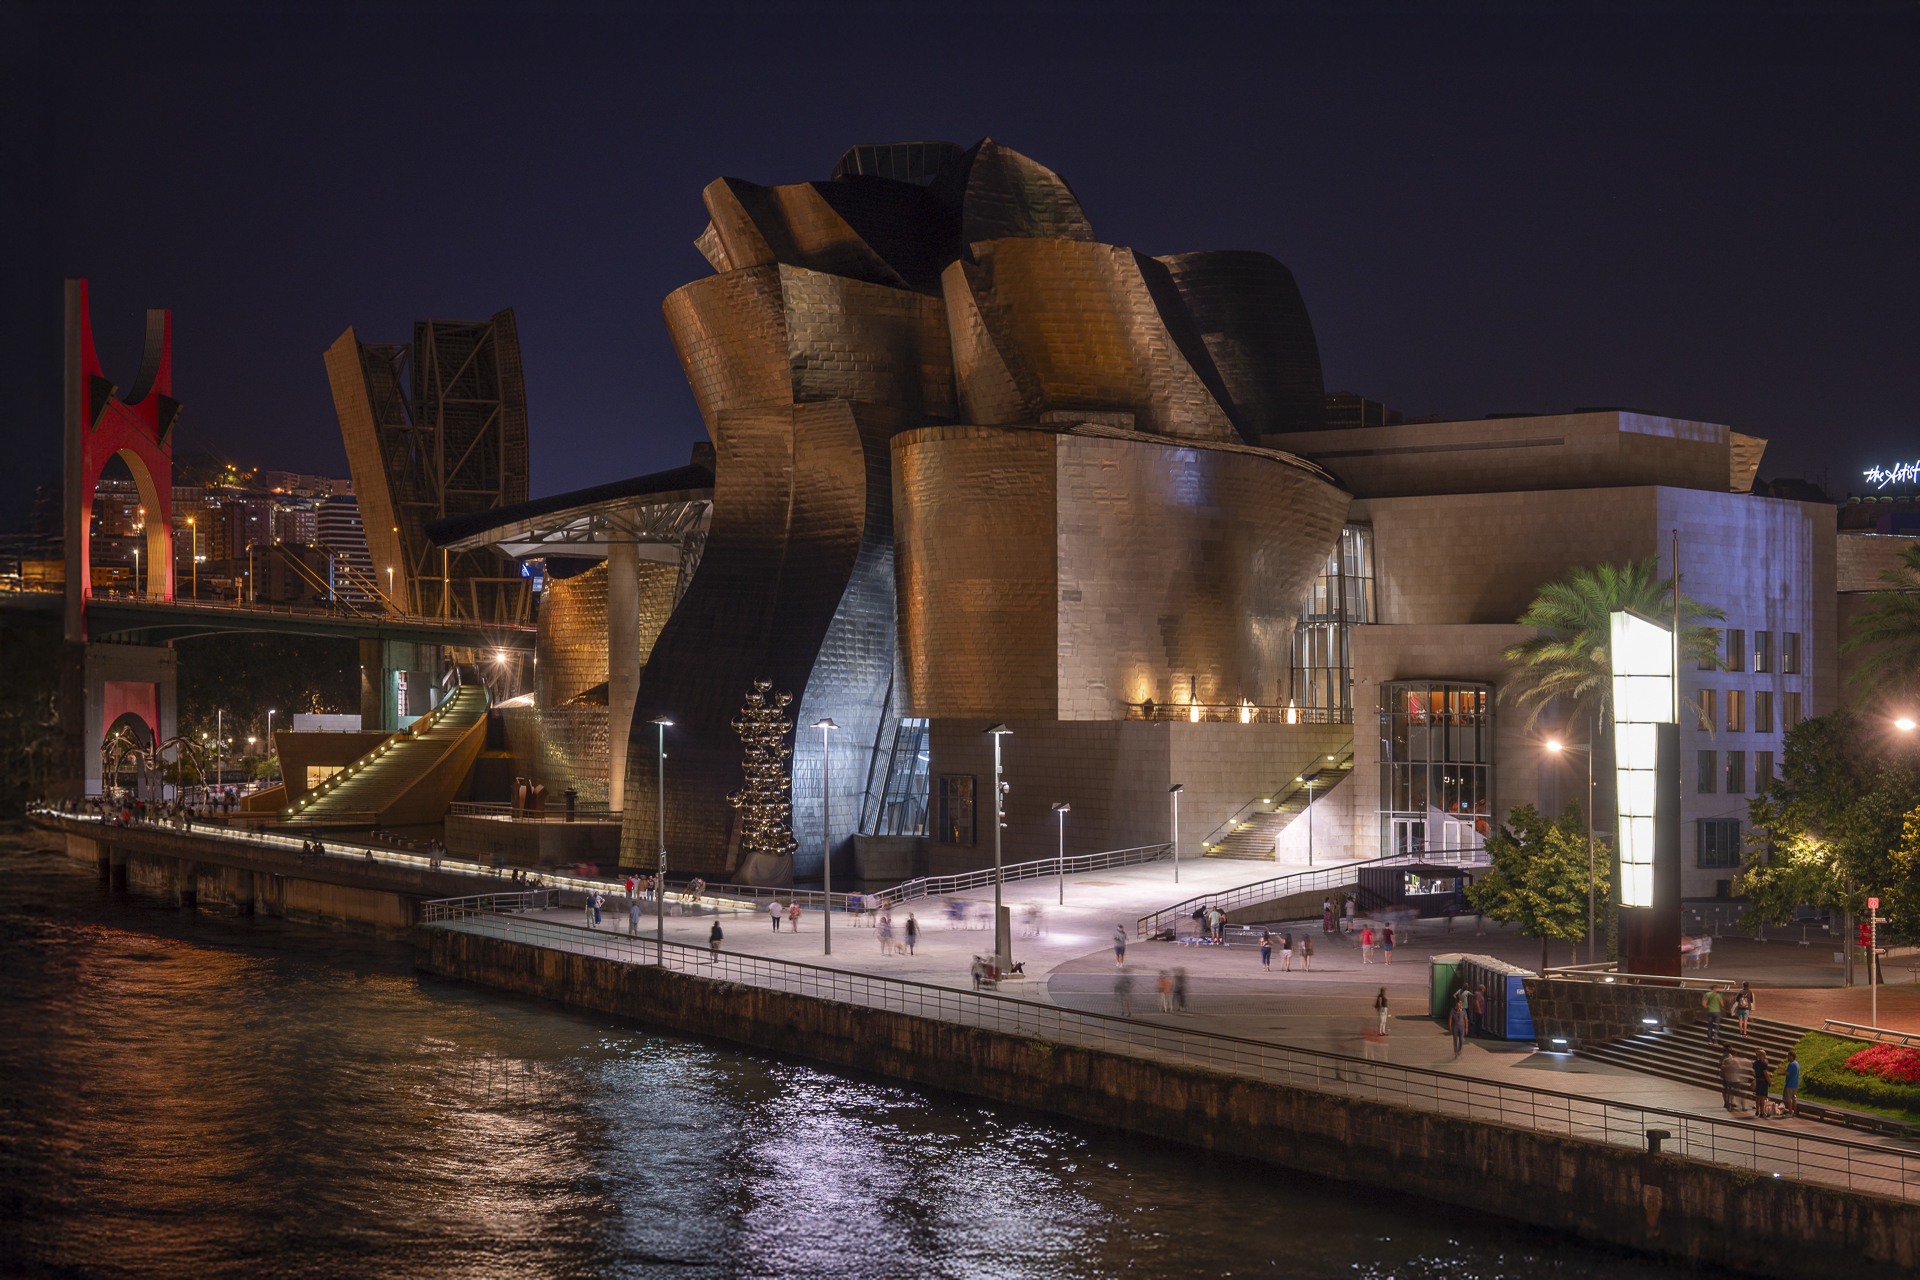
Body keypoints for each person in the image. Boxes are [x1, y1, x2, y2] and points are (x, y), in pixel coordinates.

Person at [1719, 1046, 1743, 1113]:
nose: (1731, 1048)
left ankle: (1731, 1101)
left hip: (1731, 1075)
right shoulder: (1723, 1056)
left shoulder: (1731, 1056)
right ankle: (1726, 1102)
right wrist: (1729, 1066)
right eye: (1730, 1047)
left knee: (1731, 1089)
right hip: (1725, 1075)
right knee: (1725, 1088)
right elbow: (1720, 1066)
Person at [1753, 1047, 1774, 1118]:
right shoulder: (1763, 1064)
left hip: (1758, 1081)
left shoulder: (1755, 1063)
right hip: (1763, 1081)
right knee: (1762, 1097)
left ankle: (1757, 1111)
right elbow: (1766, 1073)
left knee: (1758, 1096)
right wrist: (1770, 1081)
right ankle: (1762, 1112)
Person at [1782, 1049, 1801, 1117]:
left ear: (1791, 1056)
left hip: (1790, 1084)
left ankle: (1790, 1112)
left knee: (1789, 1099)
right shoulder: (1797, 1064)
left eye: (1788, 1056)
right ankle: (1794, 1112)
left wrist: (1781, 1074)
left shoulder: (1791, 1064)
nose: (1787, 1057)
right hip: (1795, 1085)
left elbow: (1787, 1073)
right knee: (1794, 1099)